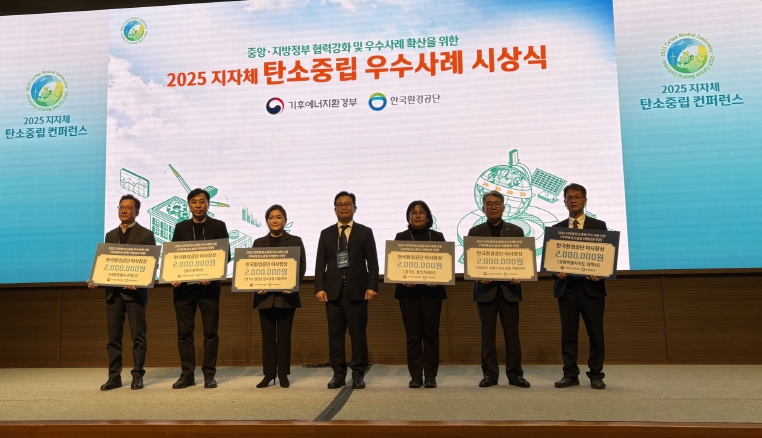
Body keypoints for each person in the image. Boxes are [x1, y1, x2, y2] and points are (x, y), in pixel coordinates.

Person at [89, 194, 156, 391]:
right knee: (113, 339)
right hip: (113, 294)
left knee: (138, 337)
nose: (124, 210)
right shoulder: (110, 235)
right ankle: (114, 377)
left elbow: (151, 264)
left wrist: (140, 282)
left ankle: (137, 375)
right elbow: (106, 263)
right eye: (121, 207)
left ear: (137, 212)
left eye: (129, 207)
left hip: (135, 294)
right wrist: (96, 277)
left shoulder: (146, 235)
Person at [315, 191, 379, 390]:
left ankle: (358, 374)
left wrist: (372, 286)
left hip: (358, 291)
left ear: (355, 208)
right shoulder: (326, 233)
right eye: (340, 204)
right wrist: (319, 288)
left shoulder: (365, 232)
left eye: (347, 204)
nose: (343, 207)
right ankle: (338, 375)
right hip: (332, 292)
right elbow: (320, 264)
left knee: (358, 336)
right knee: (335, 336)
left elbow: (373, 262)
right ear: (334, 209)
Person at [467, 190, 530, 389]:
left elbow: (522, 261)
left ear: (503, 207)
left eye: (497, 204)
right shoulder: (475, 232)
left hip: (510, 290)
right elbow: (472, 263)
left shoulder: (516, 231)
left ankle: (515, 374)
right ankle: (489, 375)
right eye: (489, 204)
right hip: (485, 291)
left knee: (512, 335)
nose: (493, 207)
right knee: (487, 336)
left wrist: (519, 274)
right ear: (483, 207)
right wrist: (478, 274)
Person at [170, 188, 229, 389]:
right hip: (184, 291)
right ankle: (187, 374)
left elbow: (226, 255)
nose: (198, 205)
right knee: (184, 334)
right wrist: (174, 275)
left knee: (210, 333)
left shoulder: (218, 226)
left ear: (208, 204)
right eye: (194, 202)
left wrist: (211, 273)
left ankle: (209, 374)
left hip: (209, 289)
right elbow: (174, 257)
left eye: (202, 201)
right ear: (189, 205)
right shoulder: (181, 227)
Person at [552, 183, 608, 390]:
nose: (573, 200)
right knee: (568, 334)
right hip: (566, 289)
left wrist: (600, 272)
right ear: (564, 201)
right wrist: (556, 272)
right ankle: (570, 374)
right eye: (569, 197)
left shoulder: (598, 226)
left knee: (596, 333)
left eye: (577, 197)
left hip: (591, 289)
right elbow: (552, 261)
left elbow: (605, 256)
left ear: (585, 200)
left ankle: (596, 374)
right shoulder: (557, 229)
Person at [252, 205, 306, 389]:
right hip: (264, 298)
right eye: (271, 217)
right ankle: (268, 374)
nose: (275, 220)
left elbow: (301, 267)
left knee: (284, 338)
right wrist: (255, 287)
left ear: (285, 220)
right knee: (267, 339)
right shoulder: (258, 243)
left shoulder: (295, 241)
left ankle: (283, 374)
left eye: (279, 217)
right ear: (266, 221)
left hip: (286, 298)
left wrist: (294, 285)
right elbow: (252, 269)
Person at [394, 200, 446, 389]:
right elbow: (396, 265)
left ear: (428, 216)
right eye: (413, 212)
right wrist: (403, 278)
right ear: (408, 217)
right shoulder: (401, 237)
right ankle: (416, 376)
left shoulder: (437, 237)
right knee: (413, 336)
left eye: (421, 212)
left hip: (432, 293)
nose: (417, 215)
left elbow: (444, 265)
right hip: (408, 294)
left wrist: (437, 278)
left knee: (431, 335)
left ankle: (431, 375)